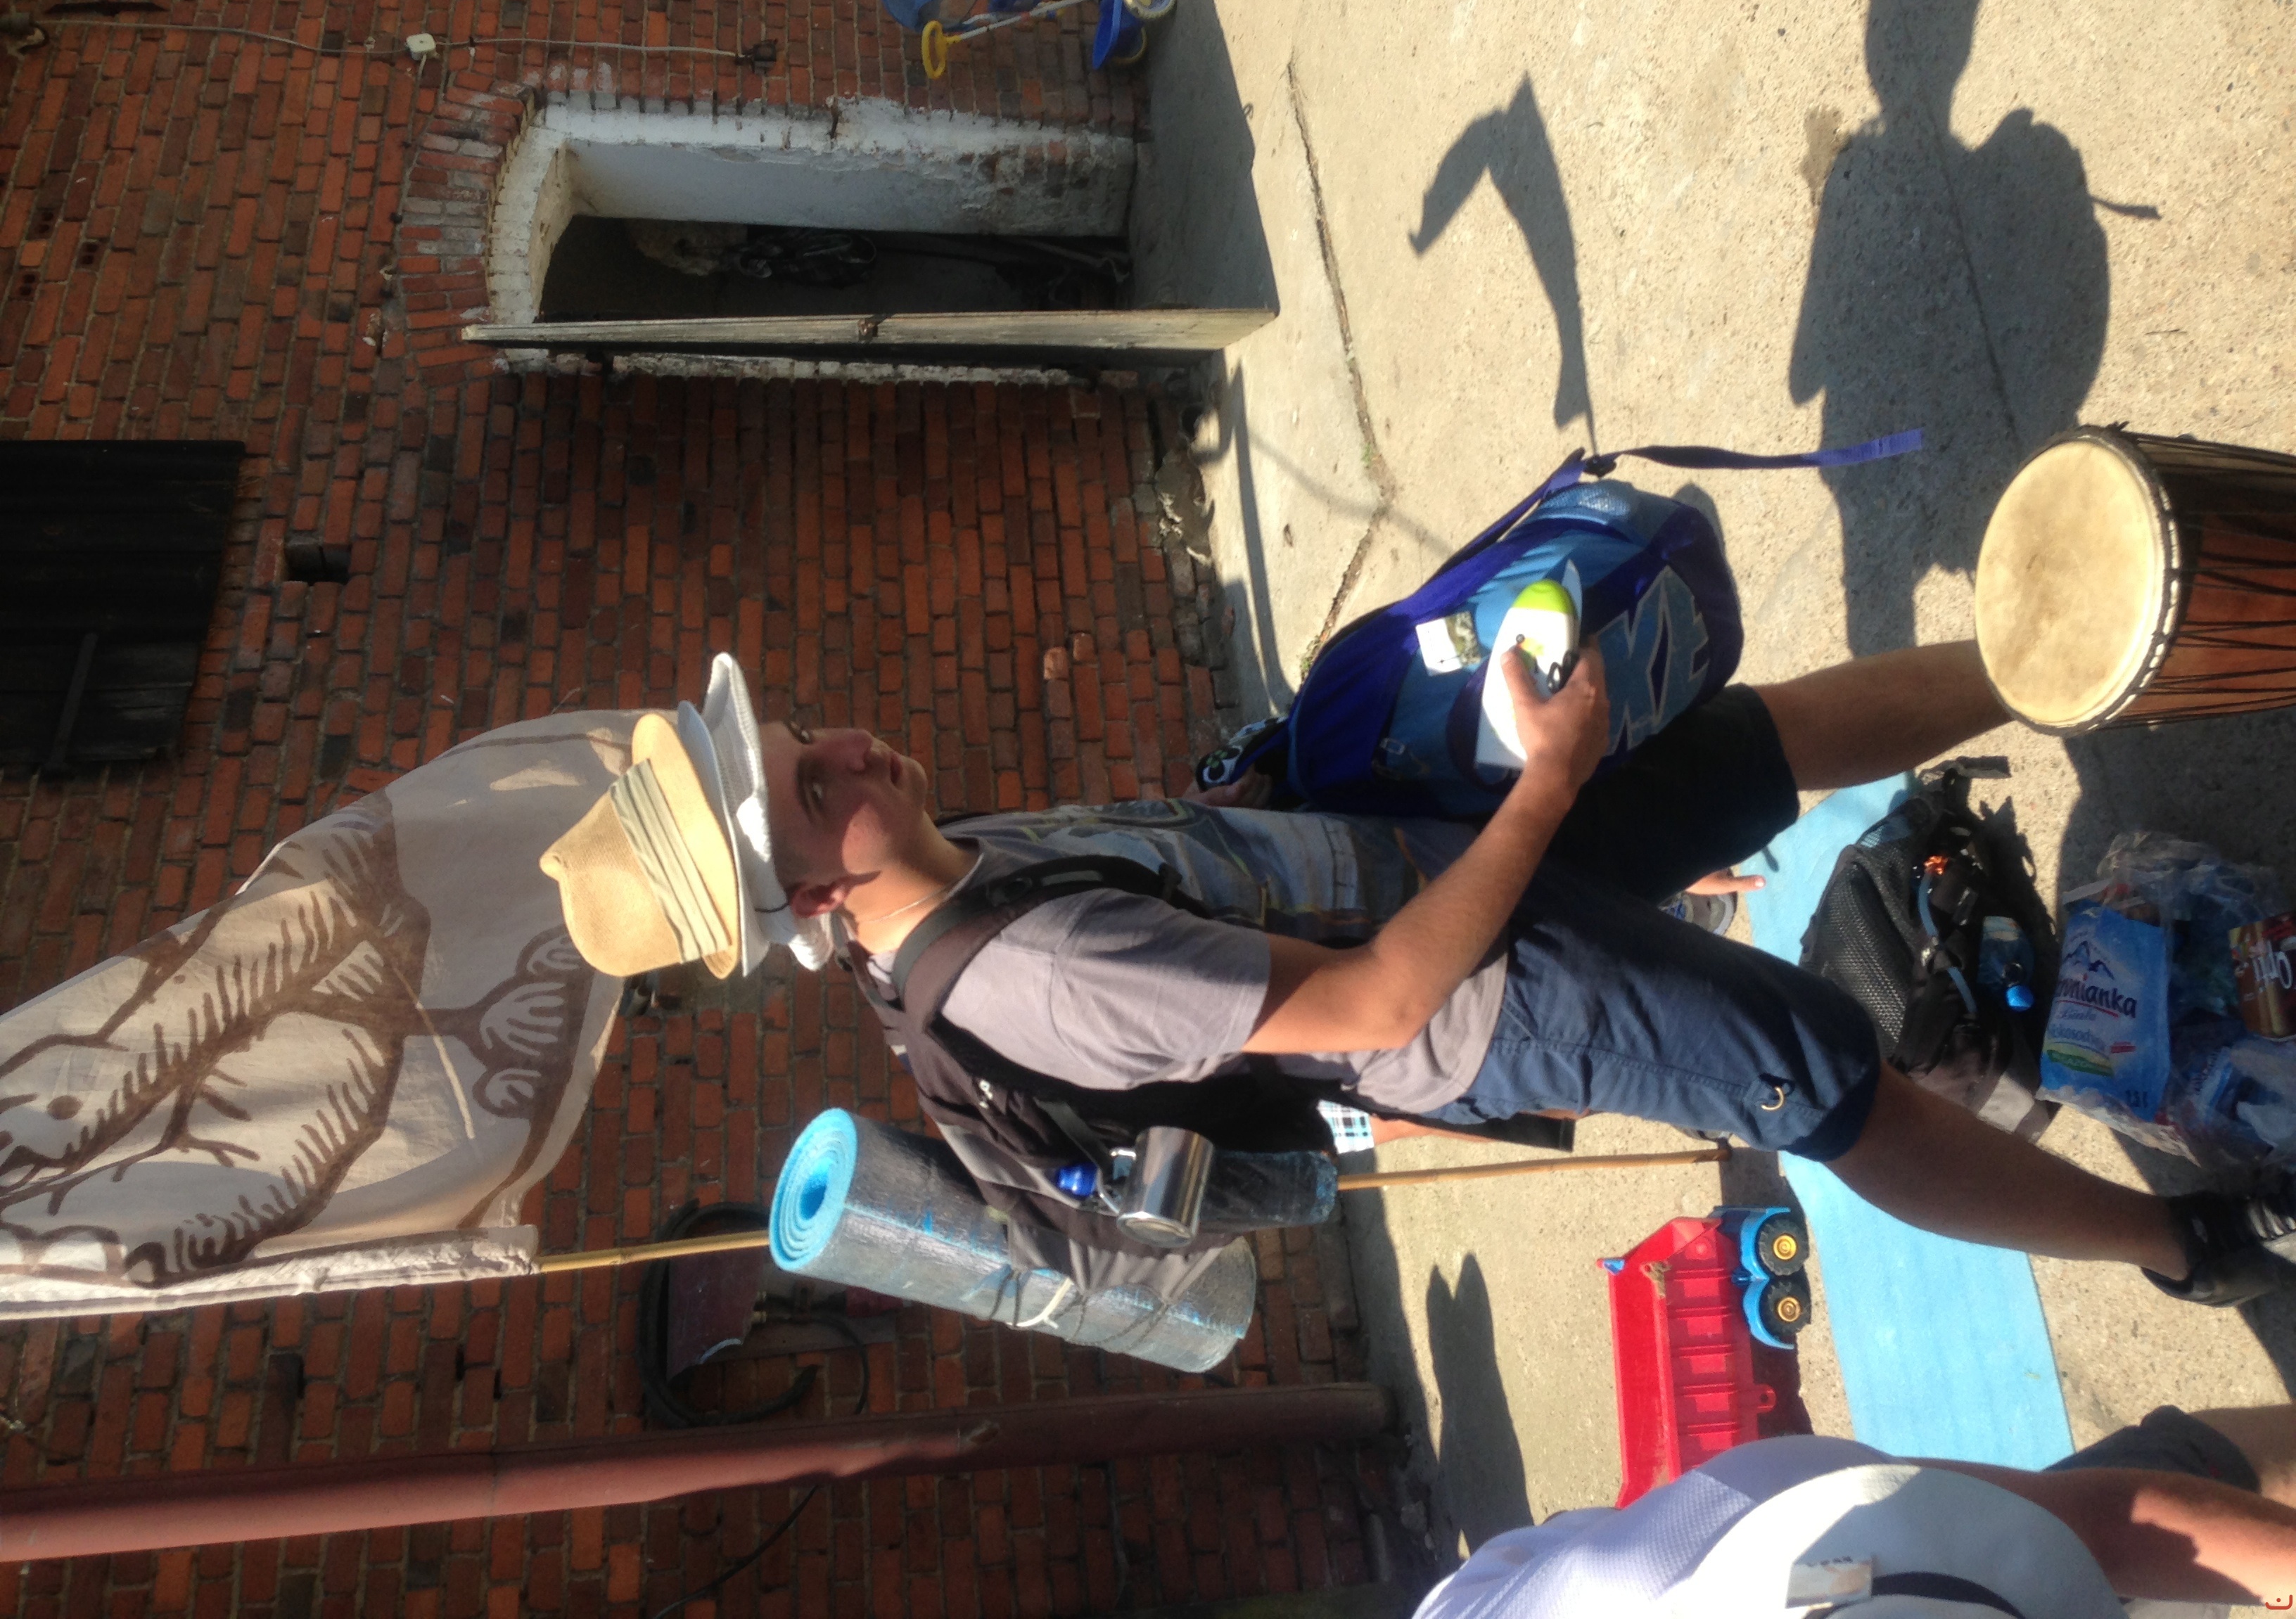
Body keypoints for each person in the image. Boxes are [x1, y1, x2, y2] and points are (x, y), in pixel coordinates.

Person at [542, 644, 2296, 1307]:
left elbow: (1214, 861)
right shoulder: (1036, 976)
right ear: (805, 890)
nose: (848, 744)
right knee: (1827, 1073)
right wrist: (1544, 787)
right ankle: (2183, 1244)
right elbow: (1375, 1007)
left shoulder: (958, 851)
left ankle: (2091, 645)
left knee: (1744, 746)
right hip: (1485, 990)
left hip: (1431, 860)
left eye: (807, 734)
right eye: (815, 785)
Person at [1410, 1400, 2296, 1615]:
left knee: (2141, 1499)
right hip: (1773, 1559)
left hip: (1770, 1555)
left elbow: (2109, 1527)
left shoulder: (1764, 1541)